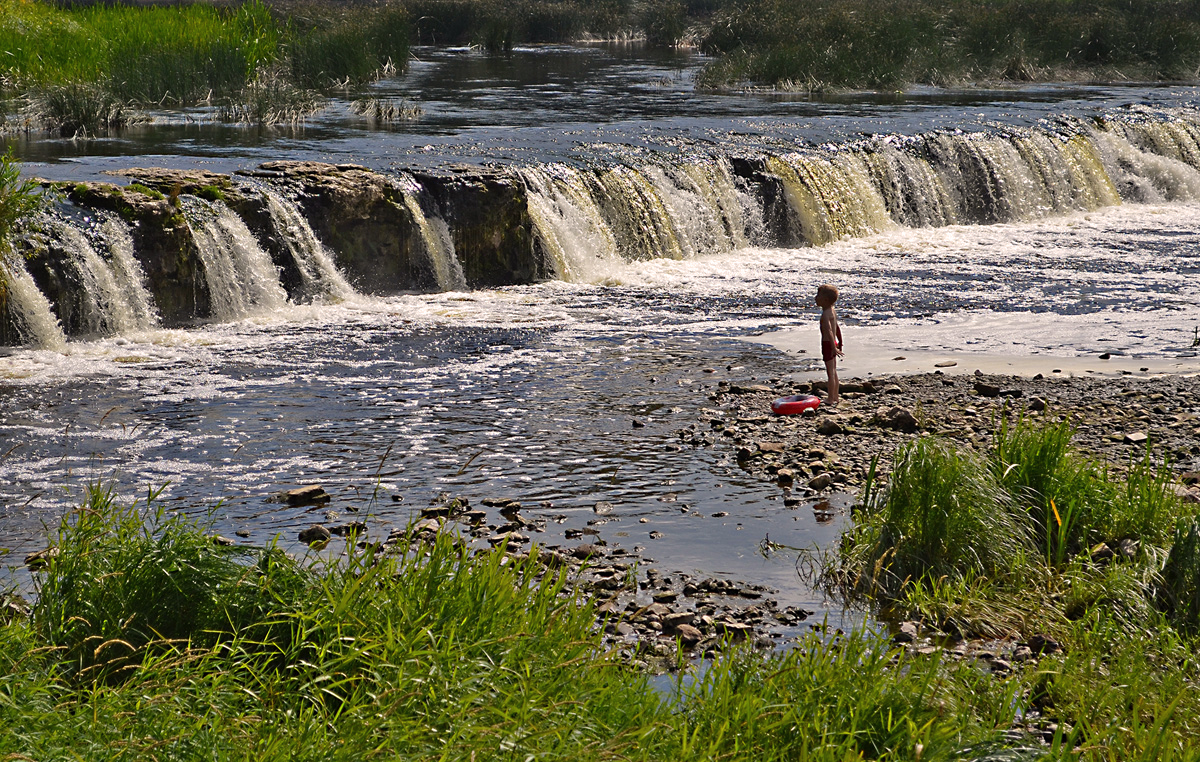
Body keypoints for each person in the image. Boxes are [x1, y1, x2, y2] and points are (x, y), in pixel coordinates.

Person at [815, 283, 843, 406]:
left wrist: (832, 346)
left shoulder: (825, 314)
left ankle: (831, 398)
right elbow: (837, 328)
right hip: (833, 343)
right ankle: (835, 396)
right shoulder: (832, 311)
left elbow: (830, 331)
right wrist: (840, 342)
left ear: (825, 300)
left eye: (818, 295)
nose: (815, 298)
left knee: (830, 373)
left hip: (828, 344)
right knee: (834, 371)